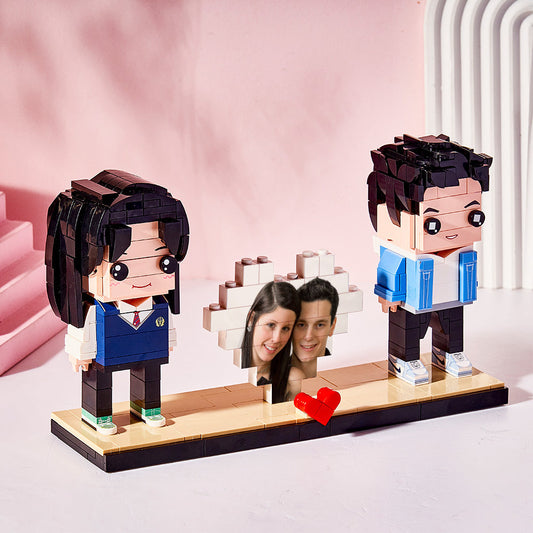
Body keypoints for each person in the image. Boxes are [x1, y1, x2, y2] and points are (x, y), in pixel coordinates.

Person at [46, 170, 189, 434]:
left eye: (165, 263)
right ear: (86, 265)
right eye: (120, 269)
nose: (142, 278)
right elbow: (83, 330)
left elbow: (166, 327)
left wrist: (168, 342)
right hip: (105, 352)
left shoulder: (158, 305)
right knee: (99, 382)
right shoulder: (98, 310)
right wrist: (80, 351)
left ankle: (148, 409)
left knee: (150, 377)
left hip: (147, 348)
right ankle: (97, 416)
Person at [367, 134, 491, 384]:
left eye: (473, 215)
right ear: (396, 215)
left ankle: (449, 354)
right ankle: (402, 359)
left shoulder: (463, 252)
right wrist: (388, 295)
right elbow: (390, 270)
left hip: (451, 298)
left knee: (452, 328)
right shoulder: (402, 251)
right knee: (407, 332)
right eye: (432, 222)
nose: (452, 229)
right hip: (413, 301)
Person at [241, 281, 300, 403]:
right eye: (271, 325)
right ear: (251, 318)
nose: (277, 338)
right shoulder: (227, 373)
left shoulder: (292, 380)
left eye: (286, 328)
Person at [286, 278, 338, 400]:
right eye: (301, 324)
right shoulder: (272, 377)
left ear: (332, 326)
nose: (308, 336)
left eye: (319, 325)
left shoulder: (340, 376)